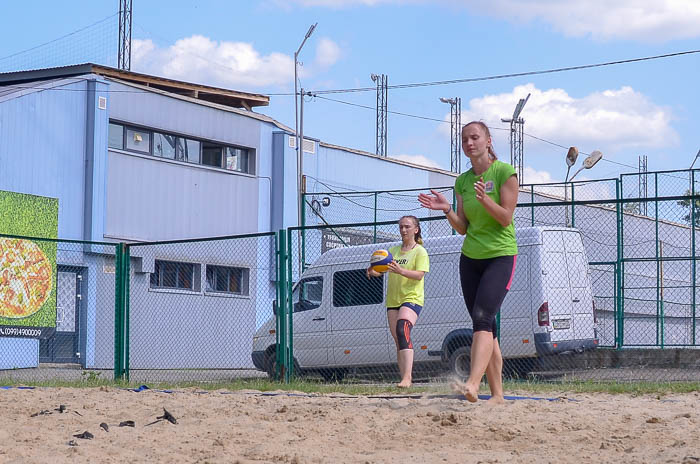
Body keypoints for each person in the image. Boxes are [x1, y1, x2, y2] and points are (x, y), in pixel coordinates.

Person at [418, 121, 518, 404]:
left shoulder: (505, 173)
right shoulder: (462, 181)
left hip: (500, 255)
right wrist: (447, 209)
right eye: (464, 139)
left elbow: (505, 218)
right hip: (470, 258)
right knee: (488, 328)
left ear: (488, 141)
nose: (469, 143)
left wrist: (486, 200)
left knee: (482, 319)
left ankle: (473, 384)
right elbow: (462, 227)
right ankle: (498, 395)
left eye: (475, 137)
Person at [367, 215, 429, 388]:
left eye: (407, 227)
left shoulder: (420, 251)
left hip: (412, 297)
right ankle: (403, 378)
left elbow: (419, 275)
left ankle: (408, 378)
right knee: (398, 339)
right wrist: (374, 271)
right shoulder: (392, 251)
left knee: (403, 329)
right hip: (393, 299)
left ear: (415, 230)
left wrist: (401, 271)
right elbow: (383, 270)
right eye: (401, 227)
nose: (403, 230)